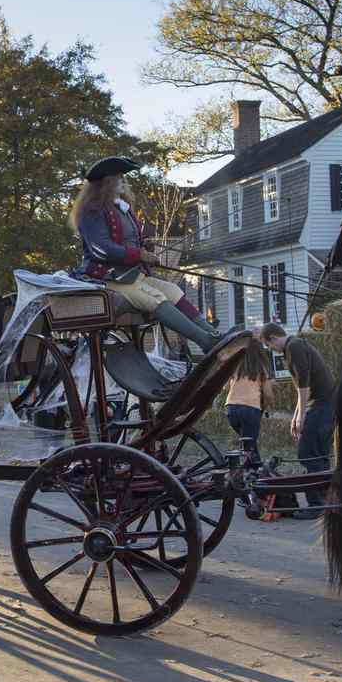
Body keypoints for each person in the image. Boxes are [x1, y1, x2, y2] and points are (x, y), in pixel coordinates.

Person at [70, 156, 218, 355]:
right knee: (153, 298)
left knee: (172, 290)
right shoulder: (92, 211)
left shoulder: (122, 209)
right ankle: (205, 341)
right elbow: (101, 249)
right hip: (105, 277)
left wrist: (144, 247)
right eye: (119, 177)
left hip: (129, 275)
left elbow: (128, 242)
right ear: (106, 182)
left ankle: (214, 334)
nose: (123, 181)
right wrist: (138, 254)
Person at [260, 322, 333, 518]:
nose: (271, 350)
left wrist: (301, 416)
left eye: (269, 345)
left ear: (273, 338)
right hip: (322, 405)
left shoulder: (294, 347)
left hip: (321, 405)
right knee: (319, 455)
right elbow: (301, 389)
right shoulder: (297, 345)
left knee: (308, 453)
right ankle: (326, 500)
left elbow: (303, 384)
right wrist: (295, 415)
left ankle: (317, 505)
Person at [224, 339, 274, 461]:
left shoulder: (235, 365)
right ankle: (251, 471)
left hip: (231, 409)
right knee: (249, 448)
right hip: (251, 409)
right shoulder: (261, 366)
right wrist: (269, 406)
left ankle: (256, 466)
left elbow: (225, 388)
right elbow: (268, 394)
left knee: (248, 444)